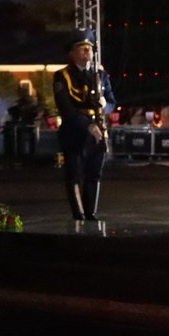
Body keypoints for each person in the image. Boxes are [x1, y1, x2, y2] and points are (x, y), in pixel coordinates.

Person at [52, 31, 115, 223]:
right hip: (75, 131)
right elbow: (66, 108)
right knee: (75, 174)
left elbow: (112, 101)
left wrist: (106, 105)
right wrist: (88, 126)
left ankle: (91, 213)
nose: (87, 51)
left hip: (98, 130)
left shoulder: (100, 75)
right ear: (71, 53)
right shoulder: (62, 76)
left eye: (89, 48)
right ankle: (78, 215)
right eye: (82, 47)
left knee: (94, 173)